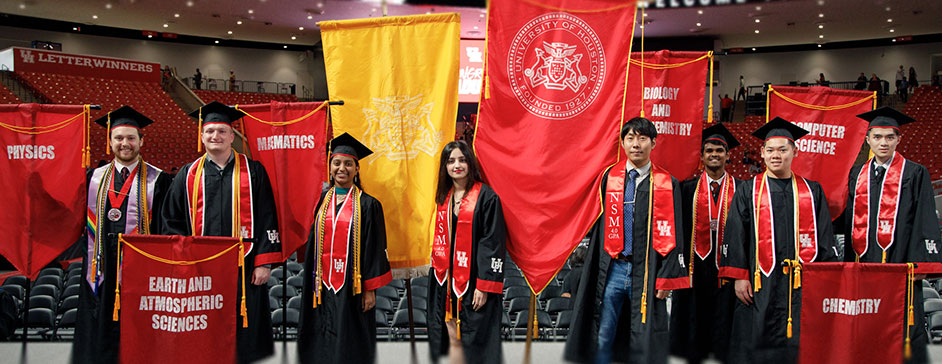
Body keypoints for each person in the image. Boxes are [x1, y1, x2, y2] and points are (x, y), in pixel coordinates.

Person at [161, 101, 282, 363]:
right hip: (199, 267)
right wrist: (182, 260)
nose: (215, 136)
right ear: (202, 136)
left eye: (222, 131)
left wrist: (264, 263)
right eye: (210, 131)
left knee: (244, 327)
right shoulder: (187, 174)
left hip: (246, 264)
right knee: (205, 324)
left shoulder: (254, 171)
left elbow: (267, 217)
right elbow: (171, 220)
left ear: (232, 136)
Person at [565, 117, 687, 364]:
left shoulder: (667, 183)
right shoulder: (608, 179)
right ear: (622, 143)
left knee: (645, 335)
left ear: (653, 142)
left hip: (648, 271)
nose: (636, 144)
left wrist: (667, 277)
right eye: (630, 138)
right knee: (604, 331)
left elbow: (676, 232)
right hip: (613, 268)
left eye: (642, 138)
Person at [718, 117, 838, 364]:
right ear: (762, 152)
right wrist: (739, 277)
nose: (776, 155)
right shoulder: (748, 190)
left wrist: (824, 279)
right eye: (770, 150)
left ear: (795, 151)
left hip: (801, 283)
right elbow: (735, 233)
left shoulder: (812, 190)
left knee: (800, 341)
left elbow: (825, 238)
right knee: (757, 337)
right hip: (760, 282)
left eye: (783, 150)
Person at [74, 106, 172, 364]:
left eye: (130, 138)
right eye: (119, 138)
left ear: (141, 140)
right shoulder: (92, 178)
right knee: (97, 330)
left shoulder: (159, 181)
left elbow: (166, 228)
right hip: (100, 268)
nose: (124, 144)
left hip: (141, 271)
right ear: (110, 142)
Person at [843, 107, 942, 364]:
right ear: (868, 140)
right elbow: (849, 220)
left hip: (902, 261)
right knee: (867, 320)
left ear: (899, 139)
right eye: (877, 137)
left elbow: (925, 218)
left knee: (903, 322)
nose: (883, 142)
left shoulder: (914, 172)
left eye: (889, 137)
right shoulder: (858, 174)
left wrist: (921, 262)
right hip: (865, 261)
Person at [298, 132, 392, 364]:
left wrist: (370, 289)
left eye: (348, 164)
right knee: (320, 337)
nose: (342, 168)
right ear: (330, 167)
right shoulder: (320, 200)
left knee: (351, 340)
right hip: (321, 286)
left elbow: (375, 248)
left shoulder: (369, 205)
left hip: (353, 287)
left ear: (357, 169)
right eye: (337, 163)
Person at [427, 140, 507, 364]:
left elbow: (492, 243)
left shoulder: (487, 198)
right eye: (451, 161)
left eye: (462, 160)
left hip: (474, 280)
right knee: (450, 333)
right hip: (445, 279)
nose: (457, 165)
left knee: (475, 338)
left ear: (470, 163)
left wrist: (484, 284)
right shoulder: (443, 198)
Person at [670, 123, 744, 364]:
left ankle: (724, 352)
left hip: (728, 263)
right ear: (702, 156)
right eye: (709, 150)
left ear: (728, 155)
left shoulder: (742, 190)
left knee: (726, 310)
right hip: (695, 264)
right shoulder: (686, 188)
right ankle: (694, 351)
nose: (714, 154)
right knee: (694, 310)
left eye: (719, 150)